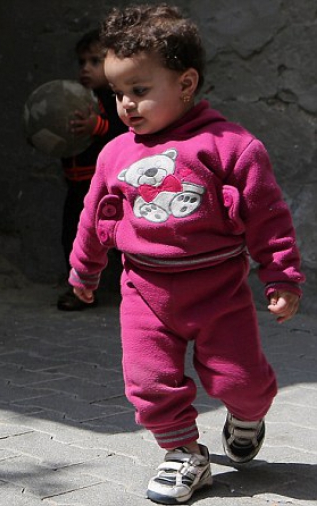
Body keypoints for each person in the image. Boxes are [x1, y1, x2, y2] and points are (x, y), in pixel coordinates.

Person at [67, 5, 304, 504]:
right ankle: (183, 454)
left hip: (218, 290)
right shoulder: (115, 153)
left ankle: (247, 415)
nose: (125, 105)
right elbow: (97, 215)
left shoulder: (231, 146)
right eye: (117, 93)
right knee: (149, 382)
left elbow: (267, 215)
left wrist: (280, 275)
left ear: (186, 83)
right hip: (144, 291)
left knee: (240, 381)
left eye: (139, 90)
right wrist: (85, 270)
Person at [57, 29, 127, 311]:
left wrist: (97, 126)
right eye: (82, 62)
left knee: (125, 241)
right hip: (77, 186)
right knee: (74, 238)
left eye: (95, 61)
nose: (86, 68)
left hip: (108, 187)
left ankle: (144, 291)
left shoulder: (116, 99)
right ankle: (80, 289)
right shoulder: (76, 98)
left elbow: (124, 132)